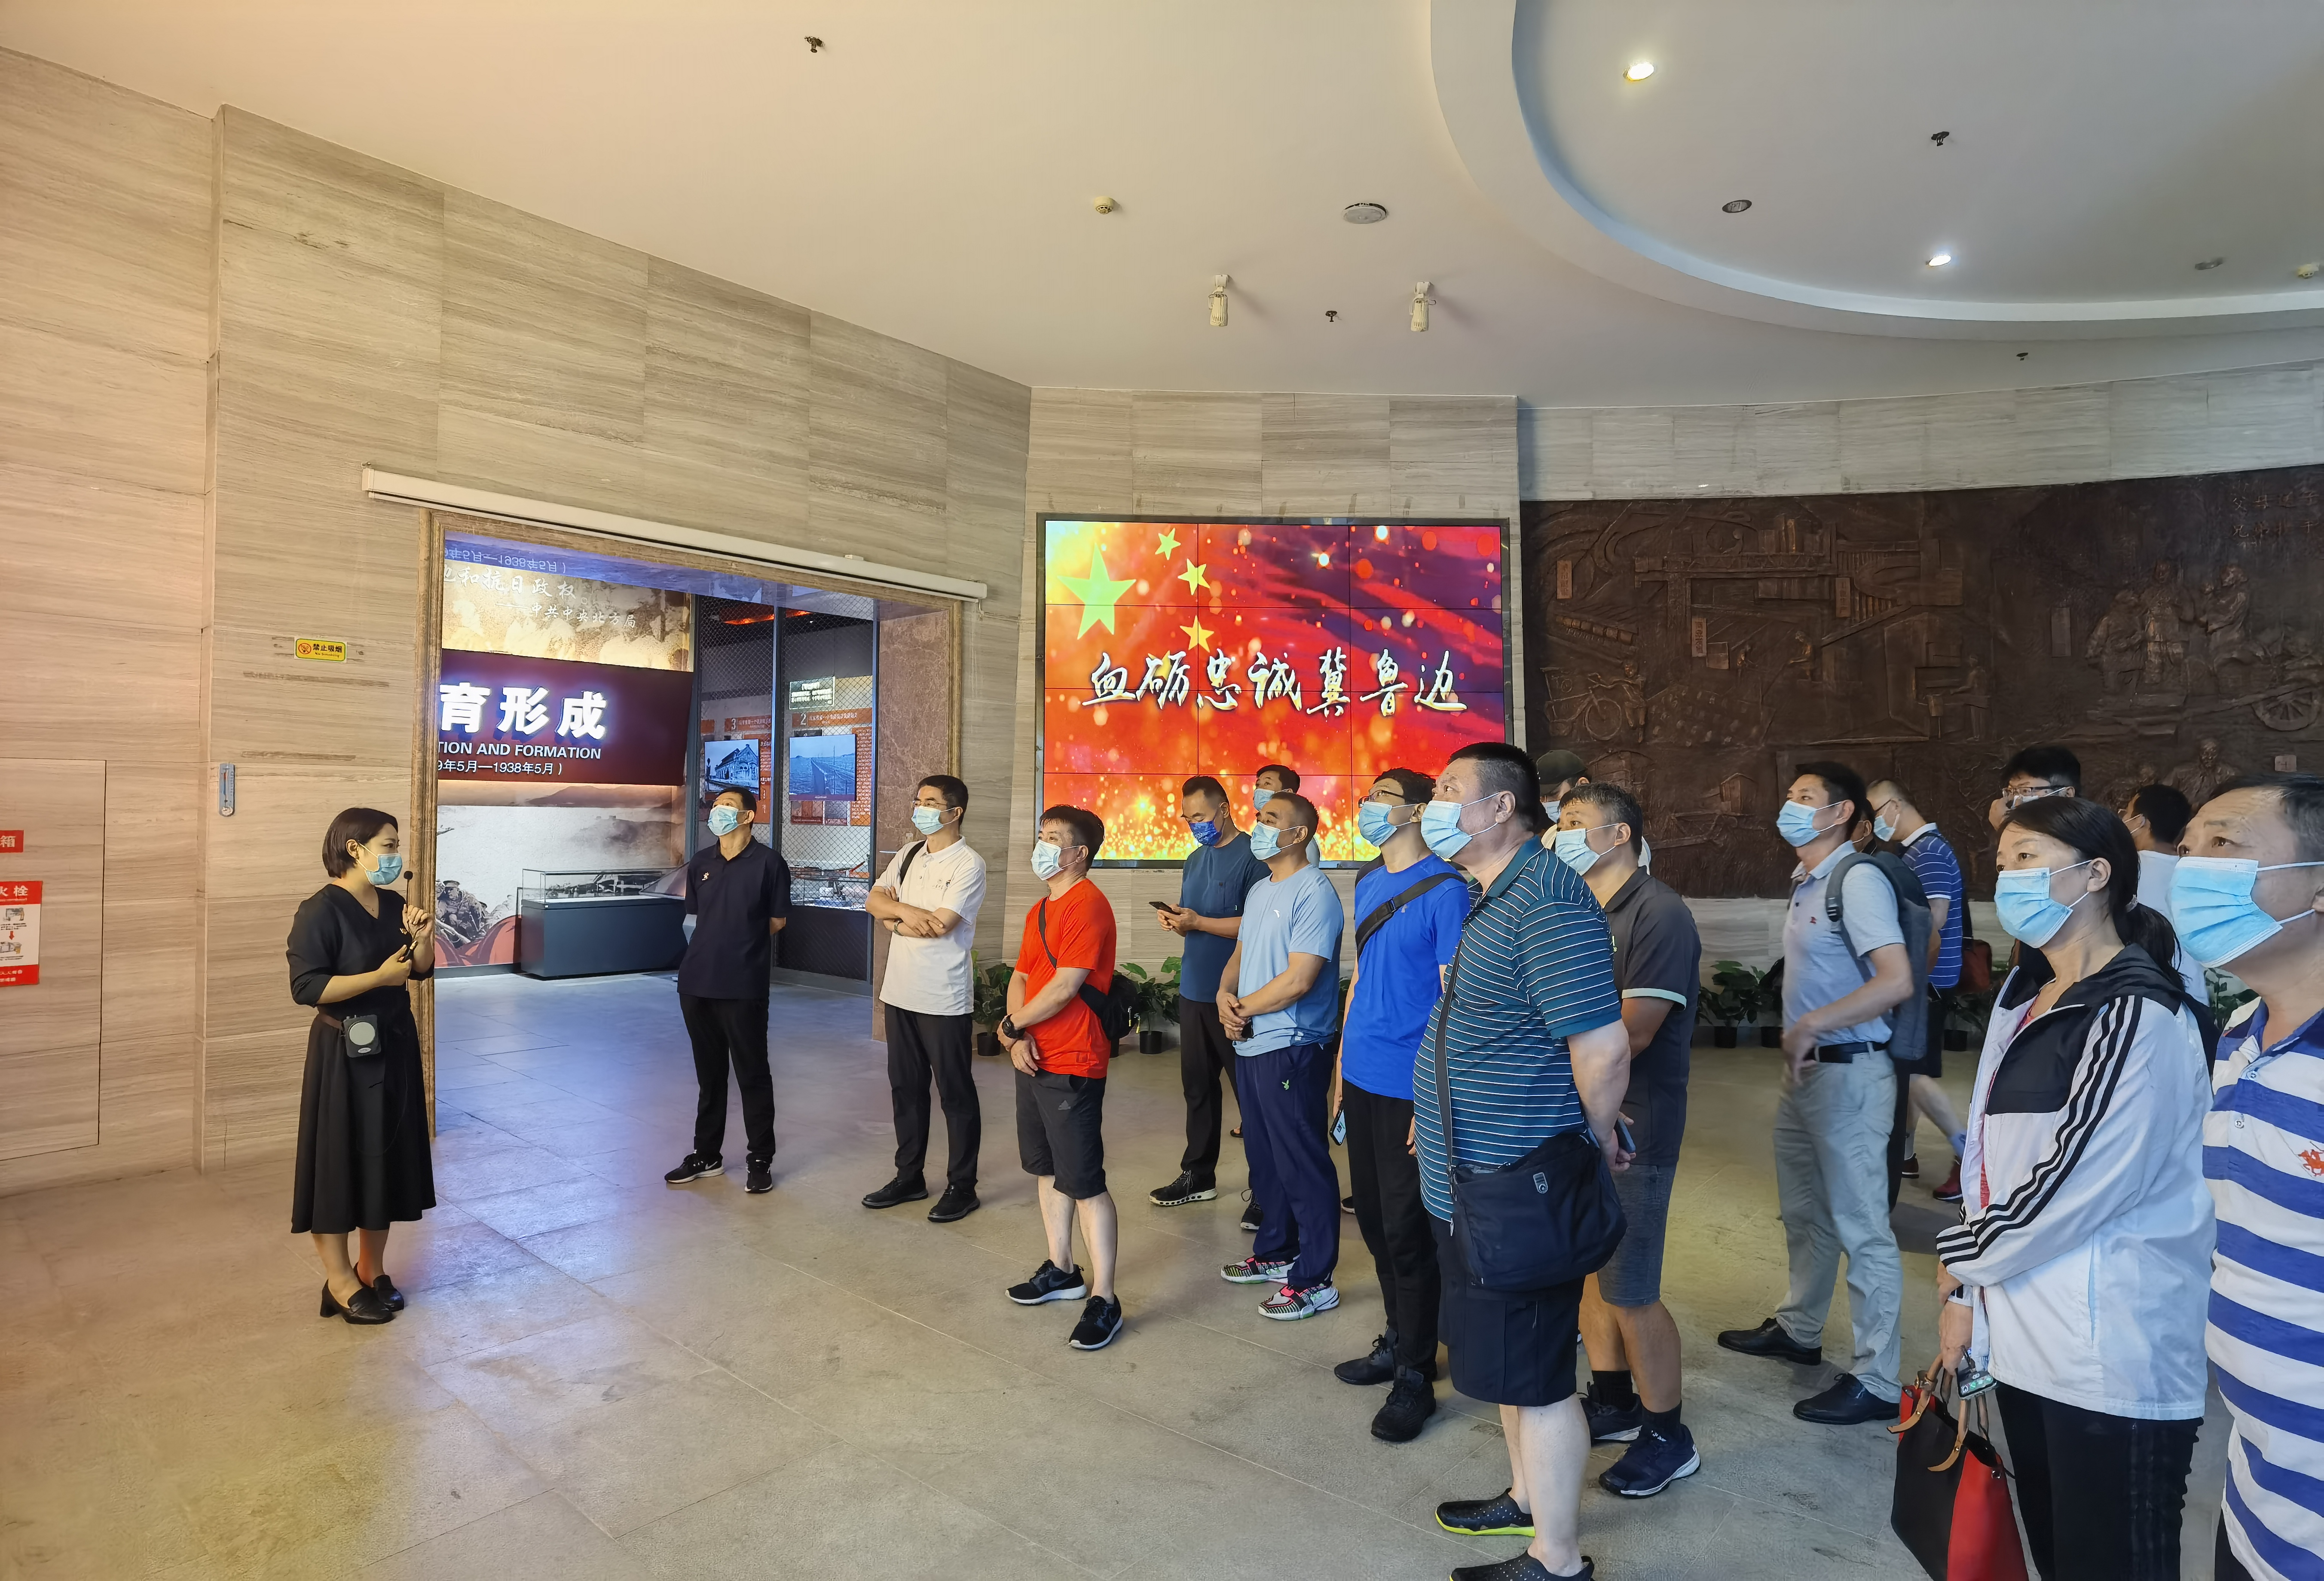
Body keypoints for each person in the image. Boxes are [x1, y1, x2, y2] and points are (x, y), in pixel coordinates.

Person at [1935, 796, 2213, 1581]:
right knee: (2060, 1559)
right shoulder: (2028, 998)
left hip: (2108, 1356)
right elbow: (1990, 1163)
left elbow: (2076, 1181)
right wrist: (1969, 1298)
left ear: (2096, 874)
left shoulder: (2136, 1010)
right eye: (2001, 863)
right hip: (2027, 1340)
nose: (2007, 878)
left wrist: (1959, 1257)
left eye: (2027, 858)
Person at [1419, 743, 1630, 1581]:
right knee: (1512, 1367)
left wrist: (1584, 1140)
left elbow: (1602, 1048)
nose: (1432, 806)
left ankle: (1557, 1558)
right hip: (1473, 1186)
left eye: (1448, 790)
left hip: (1520, 1186)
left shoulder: (1545, 897)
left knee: (1539, 1377)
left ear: (1501, 806)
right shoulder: (1492, 893)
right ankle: (1524, 1496)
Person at [1718, 762, 1912, 1425]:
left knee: (1863, 1227)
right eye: (1790, 795)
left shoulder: (1856, 880)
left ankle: (1878, 1379)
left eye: (1807, 797)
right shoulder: (1808, 881)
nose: (1791, 806)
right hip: (1809, 1075)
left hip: (1851, 1074)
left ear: (1841, 812)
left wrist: (1811, 1025)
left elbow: (1895, 980)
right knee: (1805, 1212)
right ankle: (1800, 1328)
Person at [2175, 775, 2324, 1581]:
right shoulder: (2240, 1033)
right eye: (2188, 848)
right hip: (2257, 1492)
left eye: (2224, 844)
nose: (2191, 868)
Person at [1556, 782, 1704, 1498]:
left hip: (1634, 1121)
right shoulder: (1574, 907)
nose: (1560, 833)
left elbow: (1635, 1030)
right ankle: (1613, 1399)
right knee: (1591, 1268)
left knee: (1631, 1286)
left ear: (1619, 836)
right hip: (1579, 1115)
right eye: (1559, 821)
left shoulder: (1658, 912)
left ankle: (1667, 1435)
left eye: (1575, 822)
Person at [1330, 768, 1470, 1440]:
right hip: (1362, 1074)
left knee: (1409, 1231)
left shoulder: (1447, 890)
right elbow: (1361, 979)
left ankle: (1417, 1373)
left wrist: (1432, 1096)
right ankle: (1398, 1338)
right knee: (1375, 1222)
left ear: (1415, 811)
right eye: (1368, 796)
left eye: (1381, 798)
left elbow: (1454, 1003)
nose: (1367, 806)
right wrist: (1340, 1071)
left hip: (1411, 1085)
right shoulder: (1367, 882)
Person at [288, 808, 437, 1324]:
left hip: (393, 1045)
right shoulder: (319, 910)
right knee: (337, 1161)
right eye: (388, 845)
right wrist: (377, 977)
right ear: (356, 849)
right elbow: (306, 987)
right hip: (343, 1053)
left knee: (385, 1157)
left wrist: (422, 938)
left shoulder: (394, 903)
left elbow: (418, 971)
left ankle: (372, 1267)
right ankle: (339, 1279)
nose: (395, 855)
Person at [998, 806, 1125, 1352]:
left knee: (1084, 1180)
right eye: (1041, 835)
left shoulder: (1088, 904)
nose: (1043, 845)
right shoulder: (1040, 909)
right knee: (1046, 1168)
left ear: (1079, 853)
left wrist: (1012, 1026)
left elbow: (1065, 987)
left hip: (1073, 1058)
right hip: (1033, 1055)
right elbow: (1023, 975)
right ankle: (1062, 1268)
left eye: (1054, 838)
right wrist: (1016, 1036)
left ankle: (1105, 1297)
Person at [1217, 791, 1347, 1320]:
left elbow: (1299, 979)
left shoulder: (1314, 891)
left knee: (1301, 1160)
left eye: (1271, 819)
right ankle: (1277, 1251)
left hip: (1292, 1045)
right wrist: (1225, 996)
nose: (1259, 826)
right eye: (1259, 817)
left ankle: (1315, 1278)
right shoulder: (1260, 889)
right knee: (1265, 1156)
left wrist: (1242, 1008)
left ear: (1298, 834)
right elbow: (1240, 954)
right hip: (1251, 1039)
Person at [862, 774, 988, 1222]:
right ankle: (909, 1176)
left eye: (931, 802)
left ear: (955, 812)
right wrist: (903, 914)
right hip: (900, 991)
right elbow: (873, 901)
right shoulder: (909, 853)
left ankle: (962, 1186)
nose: (920, 808)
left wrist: (893, 919)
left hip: (943, 997)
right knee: (906, 1088)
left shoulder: (968, 864)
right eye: (918, 800)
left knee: (955, 1093)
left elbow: (941, 925)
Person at [1150, 775, 1269, 1210]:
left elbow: (1257, 924)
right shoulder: (1194, 859)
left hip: (1237, 995)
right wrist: (1178, 920)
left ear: (1224, 809)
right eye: (1187, 818)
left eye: (1199, 816)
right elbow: (1194, 918)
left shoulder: (1254, 858)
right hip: (1194, 991)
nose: (1194, 824)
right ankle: (1198, 1175)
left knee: (1251, 1097)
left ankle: (1266, 1189)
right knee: (1197, 1090)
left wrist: (1198, 922)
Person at [665, 787, 790, 1195]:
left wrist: (740, 939)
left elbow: (777, 920)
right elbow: (695, 918)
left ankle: (760, 1159)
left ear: (748, 817)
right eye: (716, 806)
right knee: (710, 1075)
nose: (717, 811)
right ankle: (707, 1155)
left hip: (743, 984)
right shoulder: (702, 862)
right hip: (696, 983)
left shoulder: (769, 863)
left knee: (753, 1074)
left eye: (728, 807)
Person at [1868, 778, 1969, 1205]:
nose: (1873, 821)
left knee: (1913, 1072)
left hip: (1926, 980)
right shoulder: (1916, 851)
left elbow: (1934, 921)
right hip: (1921, 977)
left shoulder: (1927, 852)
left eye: (1874, 810)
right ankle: (1905, 1153)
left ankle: (1966, 1150)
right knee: (1908, 1067)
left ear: (1894, 805)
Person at [2120, 782, 2209, 1006]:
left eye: (2127, 814)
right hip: (2196, 995)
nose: (2123, 820)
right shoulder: (2197, 871)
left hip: (2142, 996)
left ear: (2141, 822)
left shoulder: (2125, 870)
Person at [1987, 744, 2081, 832]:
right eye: (2011, 792)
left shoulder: (2082, 836)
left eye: (2025, 791)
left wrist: (2006, 827)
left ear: (2066, 794)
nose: (2016, 801)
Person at [1255, 761, 1323, 864]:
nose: (1260, 790)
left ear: (1288, 793)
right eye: (1258, 785)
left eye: (1267, 784)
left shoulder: (1300, 840)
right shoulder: (1261, 835)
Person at [1535, 749, 1589, 827]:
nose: (1547, 803)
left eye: (1554, 794)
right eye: (1542, 797)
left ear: (1583, 786)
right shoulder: (1551, 834)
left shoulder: (1606, 831)